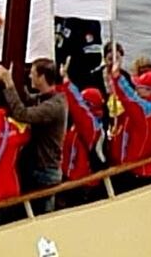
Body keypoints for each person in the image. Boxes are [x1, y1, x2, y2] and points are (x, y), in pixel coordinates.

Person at [0, 60, 66, 213]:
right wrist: (16, 82)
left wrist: (10, 84)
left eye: (32, 73)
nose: (29, 76)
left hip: (45, 173)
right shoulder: (45, 99)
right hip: (36, 170)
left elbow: (22, 114)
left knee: (43, 220)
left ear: (42, 77)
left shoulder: (54, 106)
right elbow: (28, 100)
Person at [109, 65, 151, 192]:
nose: (136, 89)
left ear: (150, 90)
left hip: (133, 172)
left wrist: (117, 79)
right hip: (148, 169)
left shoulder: (144, 111)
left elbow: (128, 98)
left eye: (139, 87)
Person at [57, 62, 106, 208]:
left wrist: (66, 81)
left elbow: (77, 105)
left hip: (82, 185)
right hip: (72, 180)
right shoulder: (82, 126)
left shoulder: (91, 127)